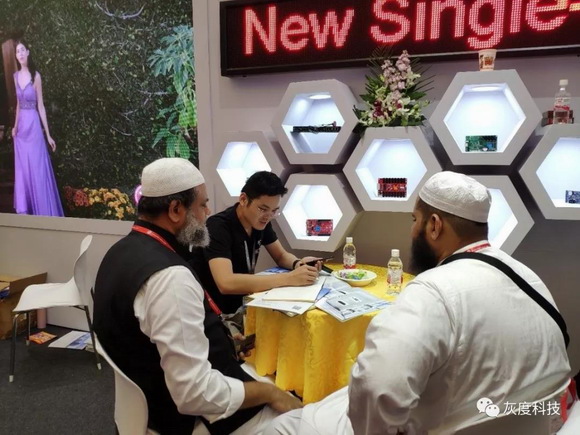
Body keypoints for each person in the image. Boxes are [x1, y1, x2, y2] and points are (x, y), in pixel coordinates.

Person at [265, 171, 571, 435]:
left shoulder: (433, 291)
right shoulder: (530, 279)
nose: (412, 230)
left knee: (284, 426)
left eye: (415, 220)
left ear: (434, 225)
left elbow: (377, 387)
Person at [93, 158, 302, 435]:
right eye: (203, 205)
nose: (208, 212)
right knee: (306, 414)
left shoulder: (119, 251)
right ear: (176, 210)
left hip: (144, 404)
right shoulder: (170, 278)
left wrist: (221, 337)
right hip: (188, 417)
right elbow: (194, 393)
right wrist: (268, 393)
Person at [190, 171, 321, 315]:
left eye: (274, 211)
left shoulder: (261, 222)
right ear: (243, 199)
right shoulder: (218, 227)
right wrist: (289, 278)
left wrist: (299, 264)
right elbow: (226, 283)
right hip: (214, 312)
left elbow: (281, 256)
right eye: (263, 209)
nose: (268, 216)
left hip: (244, 303)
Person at [12, 40, 63, 216]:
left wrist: (48, 135)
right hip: (21, 130)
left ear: (28, 52)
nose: (20, 54)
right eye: (17, 51)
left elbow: (41, 106)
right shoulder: (15, 76)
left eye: (22, 50)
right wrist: (15, 127)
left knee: (37, 168)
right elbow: (18, 104)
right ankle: (28, 212)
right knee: (24, 170)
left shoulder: (36, 76)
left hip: (33, 127)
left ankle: (44, 213)